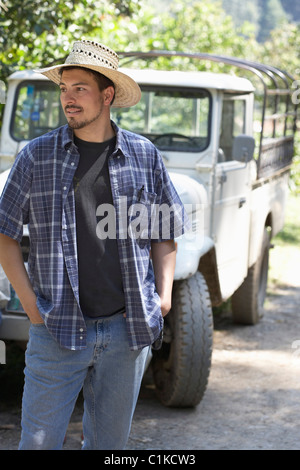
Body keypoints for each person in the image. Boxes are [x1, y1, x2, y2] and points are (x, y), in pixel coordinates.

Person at [0, 40, 188, 450]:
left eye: (79, 88)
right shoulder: (37, 157)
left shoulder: (143, 155)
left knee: (109, 447)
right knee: (36, 444)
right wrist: (31, 305)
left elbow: (165, 228)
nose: (68, 98)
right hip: (55, 327)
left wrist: (165, 296)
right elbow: (5, 233)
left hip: (126, 331)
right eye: (64, 88)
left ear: (107, 96)